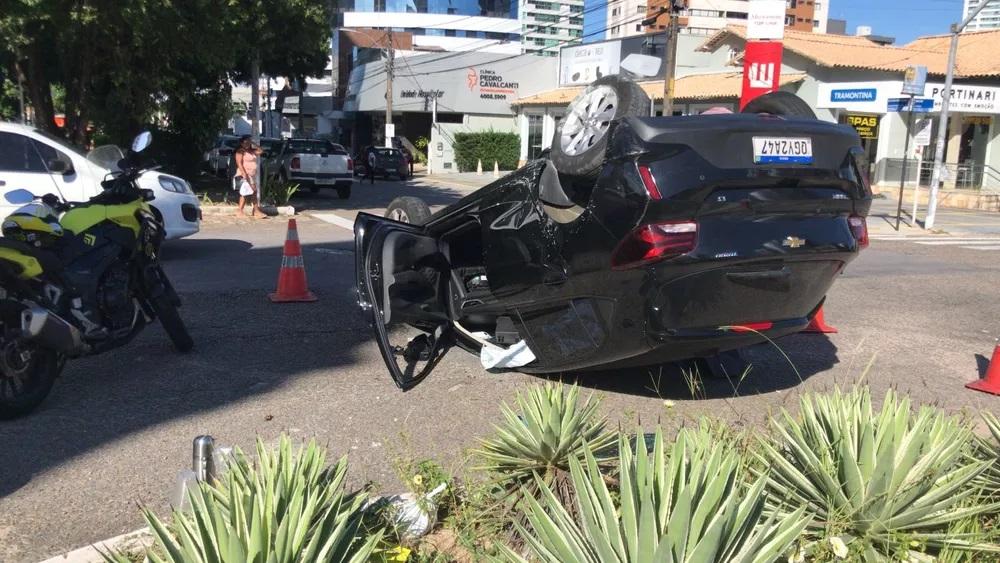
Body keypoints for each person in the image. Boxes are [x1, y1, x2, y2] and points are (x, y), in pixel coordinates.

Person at [234, 135, 267, 218]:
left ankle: (253, 211)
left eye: (248, 142)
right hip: (245, 174)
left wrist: (253, 143)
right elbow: (239, 163)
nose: (247, 144)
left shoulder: (251, 151)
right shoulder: (240, 151)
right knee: (249, 192)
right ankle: (244, 211)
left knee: (250, 192)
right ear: (241, 143)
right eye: (245, 142)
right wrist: (244, 173)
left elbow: (261, 151)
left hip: (252, 174)